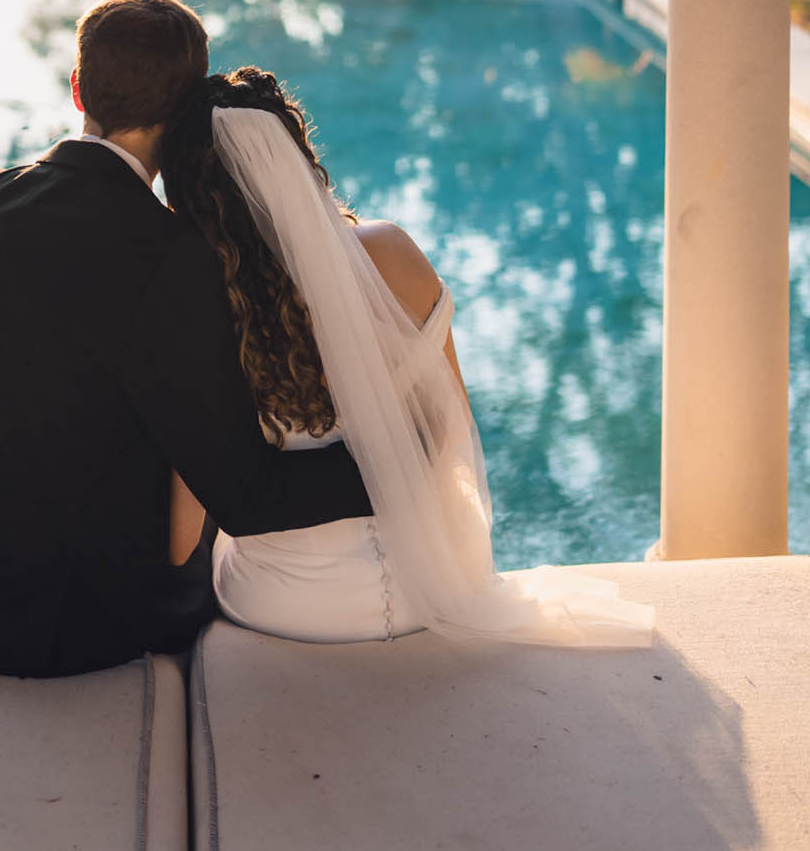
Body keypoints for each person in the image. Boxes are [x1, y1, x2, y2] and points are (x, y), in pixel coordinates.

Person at [0, 0, 374, 677]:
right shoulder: (173, 257)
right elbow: (246, 498)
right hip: (56, 618)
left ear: (77, 88)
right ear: (186, 109)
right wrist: (391, 469)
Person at [158, 69, 652, 649]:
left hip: (284, 606)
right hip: (431, 592)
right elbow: (453, 429)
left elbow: (181, 539)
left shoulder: (199, 306)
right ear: (296, 162)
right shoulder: (391, 250)